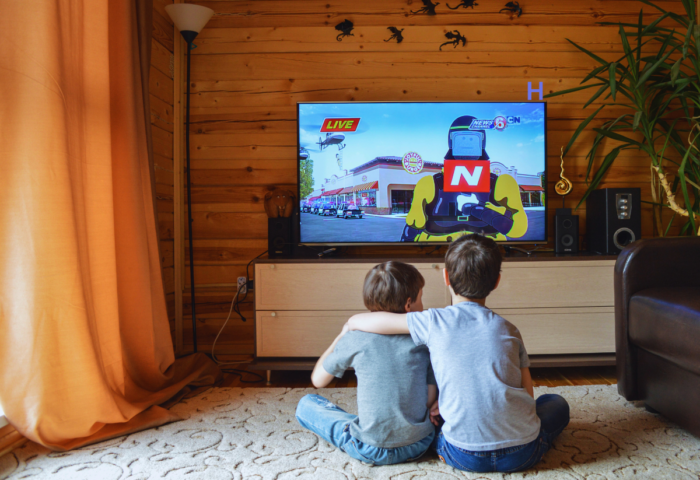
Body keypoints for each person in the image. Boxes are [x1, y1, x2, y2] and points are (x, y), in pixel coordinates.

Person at [346, 234, 570, 473]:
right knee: (555, 403)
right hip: (522, 454)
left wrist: (352, 322)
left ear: (445, 277)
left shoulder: (433, 321)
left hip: (461, 455)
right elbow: (527, 393)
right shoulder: (510, 329)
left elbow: (381, 321)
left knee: (434, 424)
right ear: (496, 281)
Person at [295, 261, 438, 465]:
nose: (422, 305)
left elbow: (318, 380)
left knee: (307, 404)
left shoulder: (356, 338)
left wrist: (342, 335)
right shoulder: (424, 341)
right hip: (419, 443)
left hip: (369, 448)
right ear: (408, 304)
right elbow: (427, 400)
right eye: (421, 298)